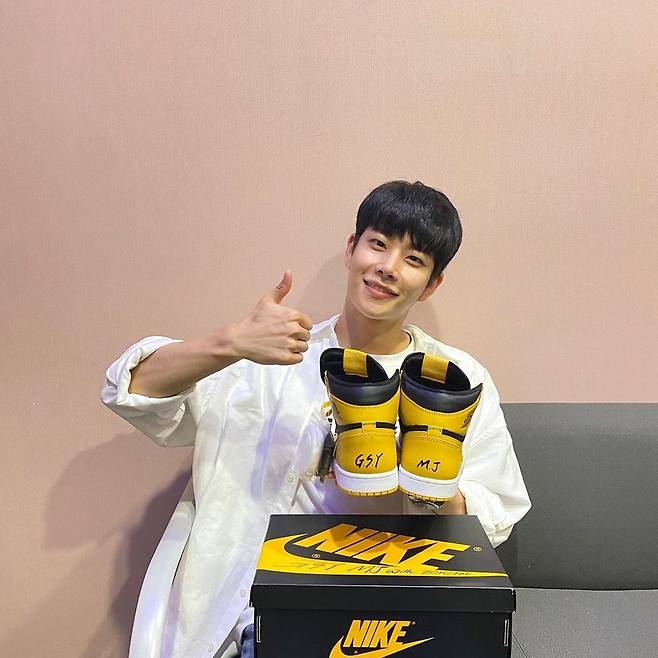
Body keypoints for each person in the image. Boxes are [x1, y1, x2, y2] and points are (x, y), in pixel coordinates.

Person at [101, 180, 531, 658]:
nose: (388, 267)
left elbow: (497, 512)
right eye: (378, 244)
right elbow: (131, 391)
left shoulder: (455, 378)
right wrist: (231, 343)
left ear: (432, 284)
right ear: (351, 248)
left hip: (376, 619)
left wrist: (425, 479)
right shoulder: (269, 351)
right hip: (241, 613)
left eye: (413, 259)